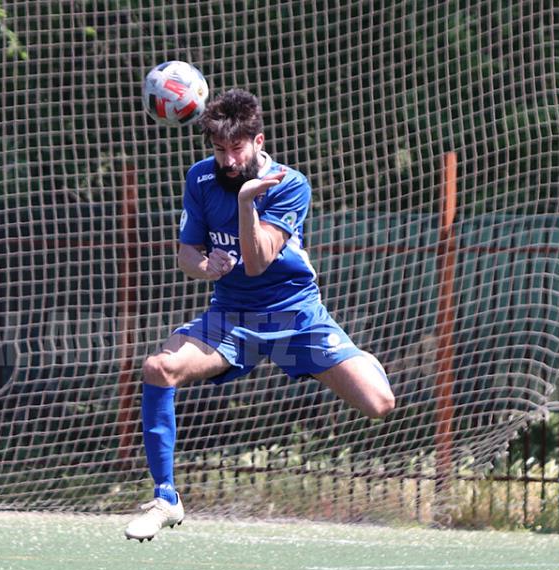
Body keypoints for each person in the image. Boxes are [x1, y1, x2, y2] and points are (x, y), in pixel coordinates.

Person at [126, 89, 396, 541]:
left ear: (257, 141)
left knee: (378, 405)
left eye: (237, 149)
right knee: (159, 368)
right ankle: (165, 498)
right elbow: (187, 254)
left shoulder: (288, 183)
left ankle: (356, 356)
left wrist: (247, 202)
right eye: (219, 150)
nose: (228, 161)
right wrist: (203, 266)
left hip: (295, 315)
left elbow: (257, 262)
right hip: (231, 316)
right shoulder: (201, 179)